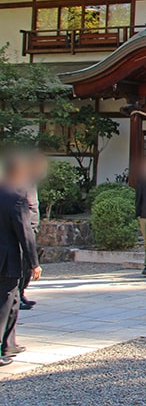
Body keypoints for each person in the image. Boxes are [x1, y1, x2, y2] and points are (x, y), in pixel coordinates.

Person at [0, 152, 41, 366]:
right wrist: (34, 263)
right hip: (7, 260)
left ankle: (9, 343)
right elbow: (26, 234)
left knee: (14, 300)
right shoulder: (16, 200)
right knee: (5, 302)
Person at [18, 152, 45, 311]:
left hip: (32, 228)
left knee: (27, 265)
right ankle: (17, 294)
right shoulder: (20, 182)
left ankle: (21, 292)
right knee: (22, 264)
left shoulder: (31, 182)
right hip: (24, 228)